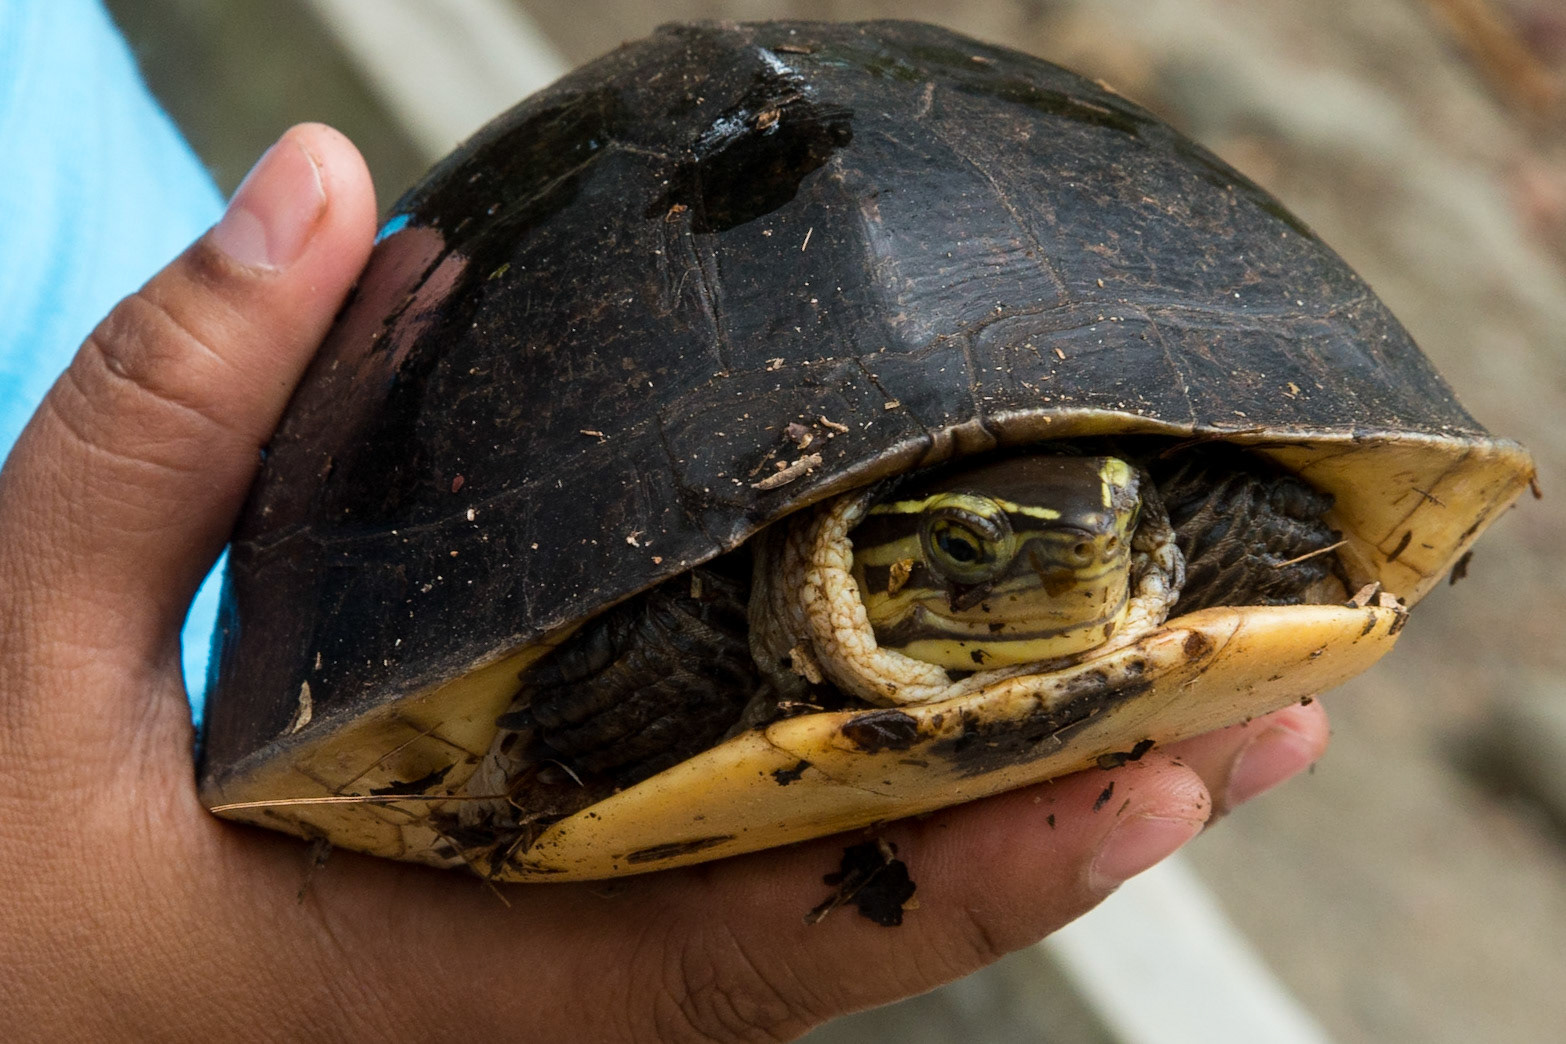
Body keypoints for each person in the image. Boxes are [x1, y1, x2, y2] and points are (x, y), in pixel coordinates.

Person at [0, 4, 1329, 1039]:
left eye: (1121, 519)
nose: (1086, 549)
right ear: (845, 579)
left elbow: (1213, 511)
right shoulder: (720, 623)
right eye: (967, 549)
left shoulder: (1128, 529)